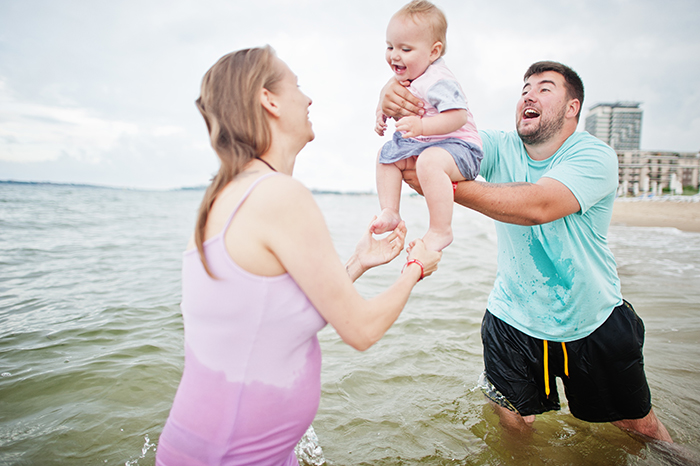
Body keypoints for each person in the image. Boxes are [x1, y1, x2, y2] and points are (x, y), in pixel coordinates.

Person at [155, 46, 441, 466]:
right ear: (269, 100)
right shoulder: (278, 195)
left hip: (232, 449)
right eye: (297, 86)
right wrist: (415, 268)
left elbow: (277, 320)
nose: (308, 100)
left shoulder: (232, 193)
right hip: (231, 456)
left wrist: (359, 261)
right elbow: (360, 330)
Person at [380, 60, 673, 442]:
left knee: (636, 426)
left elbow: (538, 206)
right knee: (513, 425)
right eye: (524, 89)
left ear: (573, 108)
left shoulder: (595, 156)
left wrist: (443, 186)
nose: (528, 95)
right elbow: (425, 153)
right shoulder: (500, 146)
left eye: (544, 88)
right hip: (512, 316)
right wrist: (398, 91)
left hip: (591, 317)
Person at [371, 0, 483, 252]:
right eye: (390, 46)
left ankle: (441, 230)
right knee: (385, 156)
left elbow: (458, 117)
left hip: (461, 149)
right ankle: (390, 211)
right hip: (428, 148)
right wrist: (381, 112)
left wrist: (421, 126)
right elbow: (391, 96)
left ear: (434, 52)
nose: (394, 55)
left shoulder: (438, 79)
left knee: (429, 162)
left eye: (406, 49)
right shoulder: (409, 74)